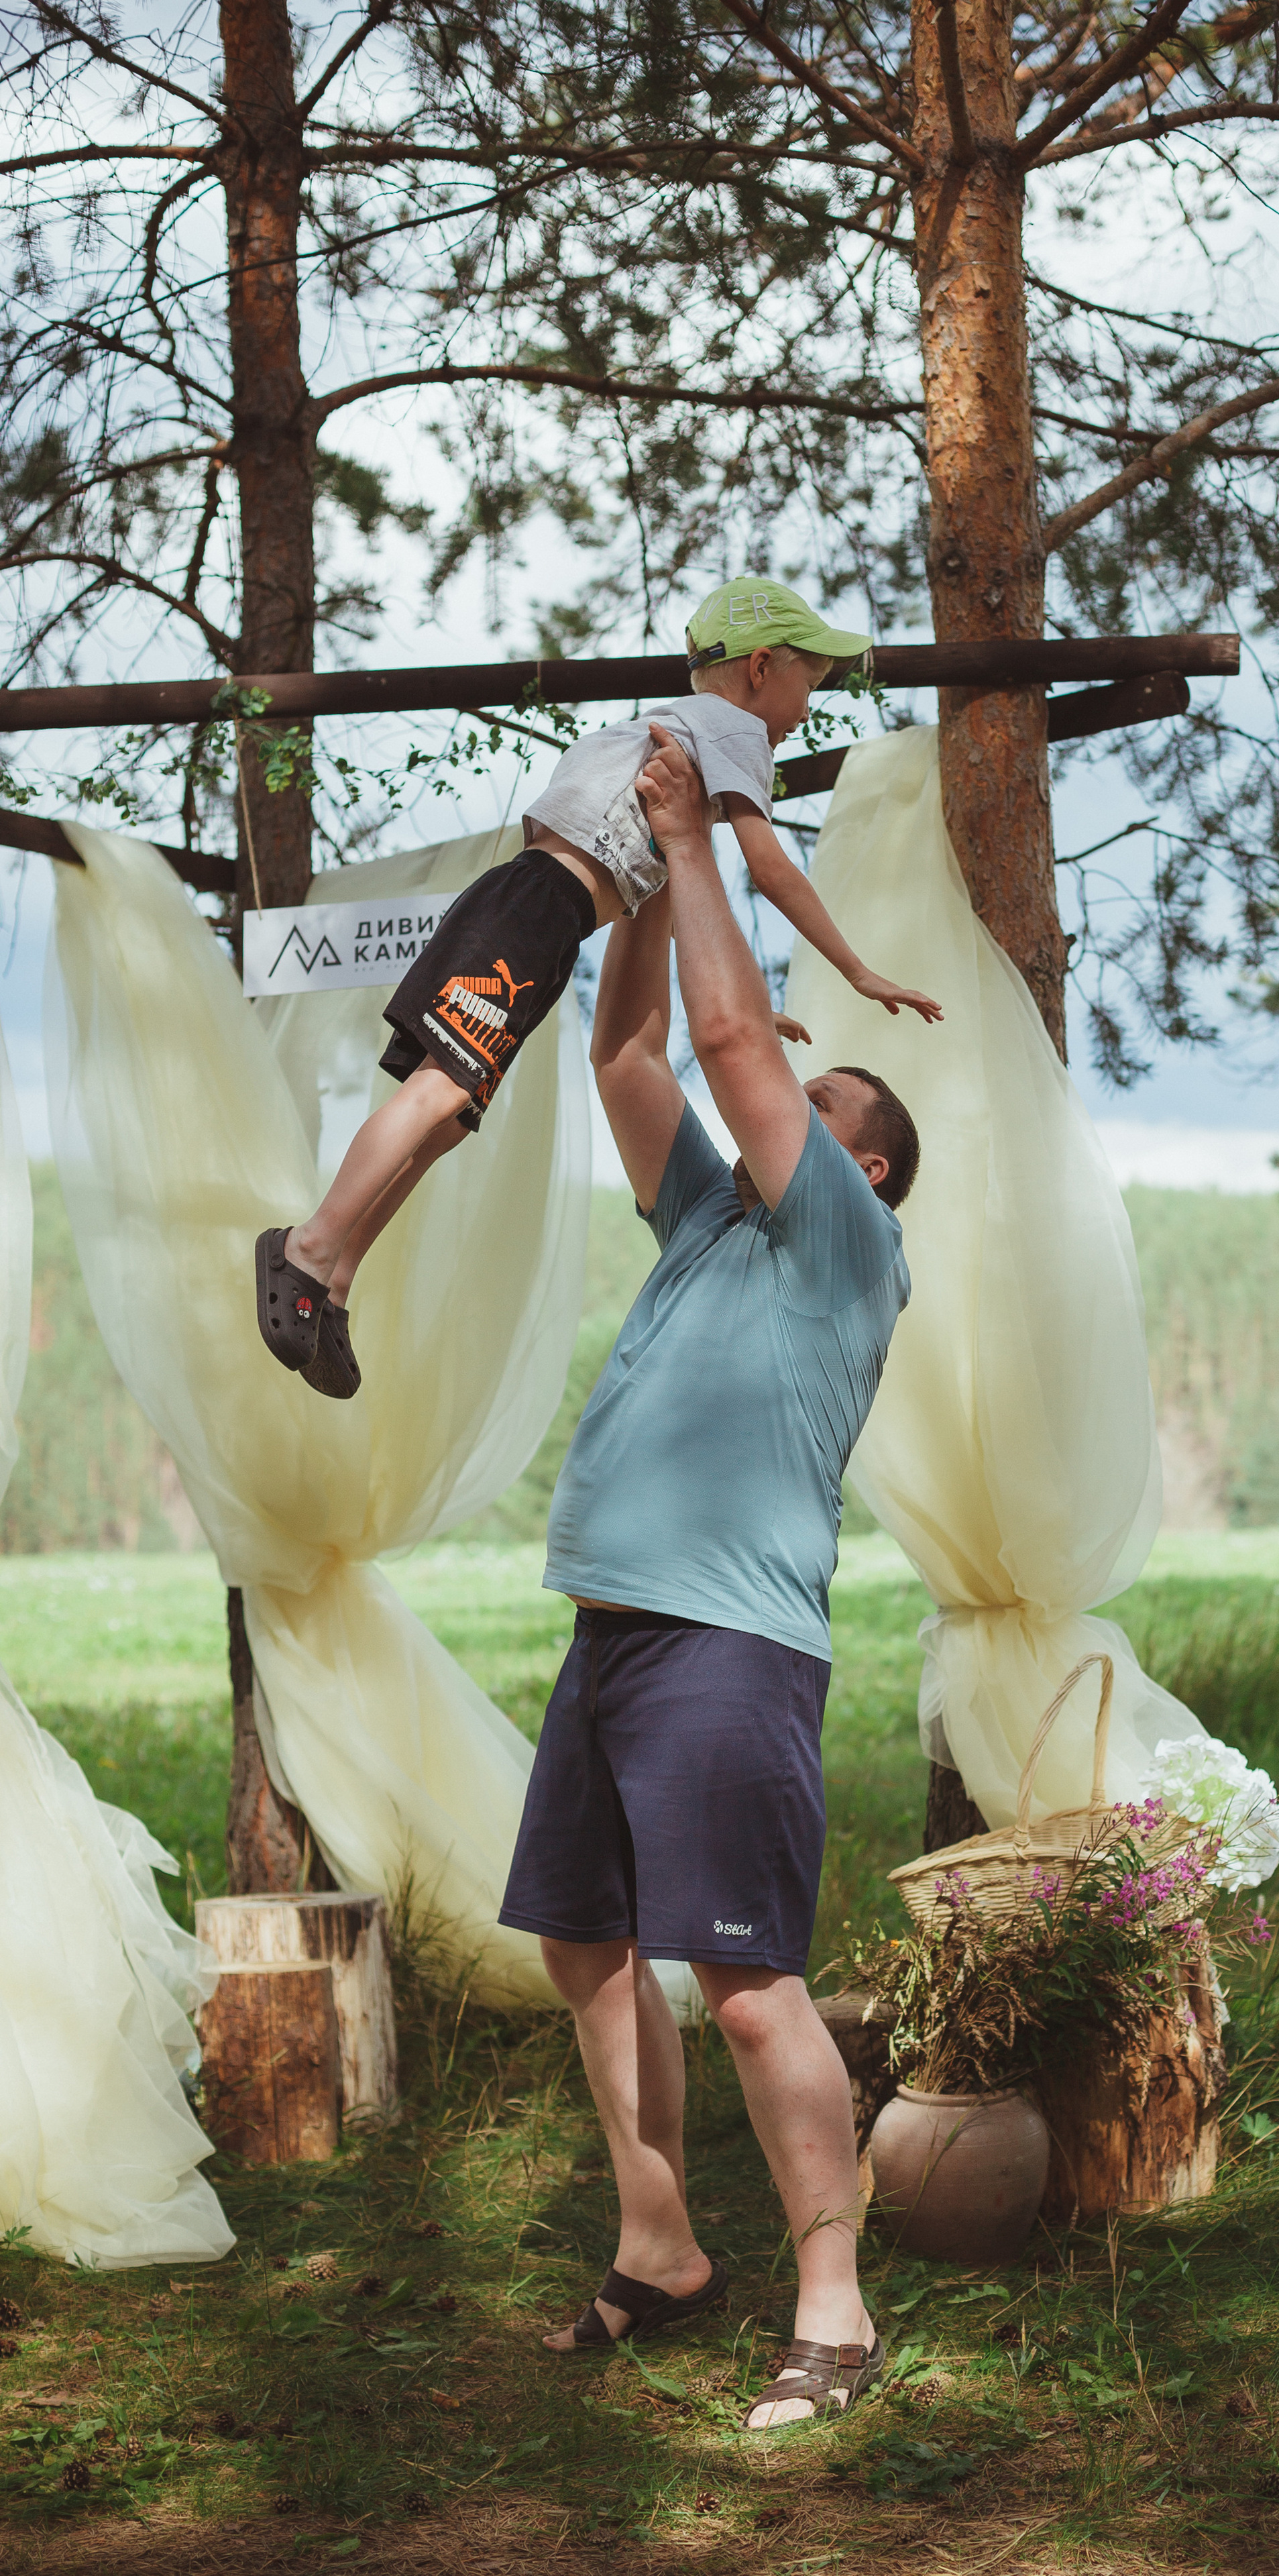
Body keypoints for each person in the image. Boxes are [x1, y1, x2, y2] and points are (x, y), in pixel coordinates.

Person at [497, 725, 915, 2430]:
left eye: (820, 1110)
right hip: (613, 1631)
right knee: (587, 1948)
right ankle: (660, 2241)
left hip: (731, 1644)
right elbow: (629, 1049)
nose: (784, 1092)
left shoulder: (842, 1243)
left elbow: (736, 1035)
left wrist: (690, 836)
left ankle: (837, 2305)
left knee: (747, 1989)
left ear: (863, 1165)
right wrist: (647, 902)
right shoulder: (707, 1220)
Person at [252, 577, 939, 1399]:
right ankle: (307, 1247)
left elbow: (688, 904)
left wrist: (753, 1004)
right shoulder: (733, 731)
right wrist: (855, 968)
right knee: (439, 1097)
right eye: (810, 683)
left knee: (453, 1118)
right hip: (537, 908)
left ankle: (335, 1282)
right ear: (762, 667)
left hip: (544, 919)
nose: (806, 711)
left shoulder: (673, 743)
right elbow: (767, 867)